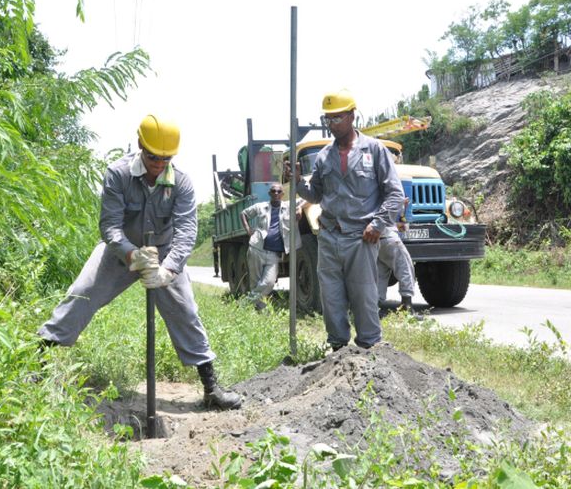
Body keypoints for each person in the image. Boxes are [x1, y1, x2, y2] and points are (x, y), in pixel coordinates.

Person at [37, 114, 242, 411]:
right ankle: (37, 363)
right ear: (140, 146)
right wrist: (133, 255)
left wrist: (168, 269)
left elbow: (186, 232)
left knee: (185, 312)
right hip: (120, 253)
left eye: (165, 158)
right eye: (153, 157)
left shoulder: (181, 182)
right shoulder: (118, 174)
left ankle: (211, 389)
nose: (159, 164)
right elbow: (109, 226)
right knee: (81, 294)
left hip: (164, 255)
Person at [285, 90, 404, 350]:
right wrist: (296, 182)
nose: (332, 123)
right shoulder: (324, 156)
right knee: (331, 298)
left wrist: (378, 225)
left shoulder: (374, 150)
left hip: (361, 237)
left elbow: (395, 194)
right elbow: (315, 195)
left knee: (364, 297)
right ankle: (338, 350)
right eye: (328, 118)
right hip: (329, 237)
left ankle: (369, 350)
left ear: (352, 115)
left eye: (337, 117)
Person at [240, 183, 303, 310]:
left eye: (279, 191)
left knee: (268, 283)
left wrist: (300, 208)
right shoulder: (261, 207)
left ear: (282, 194)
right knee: (256, 284)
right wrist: (248, 229)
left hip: (274, 254)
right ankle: (259, 312)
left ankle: (245, 304)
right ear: (269, 193)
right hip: (257, 249)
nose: (276, 193)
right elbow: (244, 214)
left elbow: (308, 198)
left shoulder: (289, 206)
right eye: (273, 191)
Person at [378, 198, 417, 316]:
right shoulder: (392, 198)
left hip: (375, 239)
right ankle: (407, 307)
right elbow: (401, 226)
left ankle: (373, 309)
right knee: (406, 268)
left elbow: (400, 226)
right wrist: (402, 206)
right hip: (389, 238)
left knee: (379, 273)